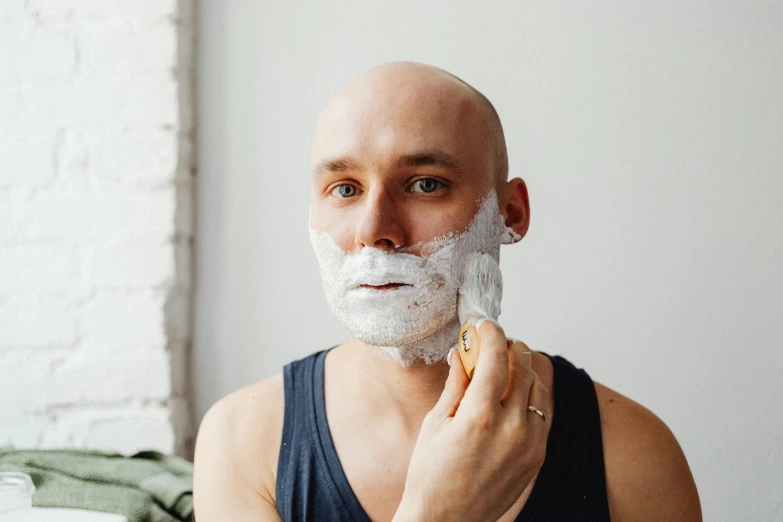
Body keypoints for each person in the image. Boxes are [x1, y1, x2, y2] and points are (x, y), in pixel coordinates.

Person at [193, 61, 702, 521]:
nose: (374, 229)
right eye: (345, 188)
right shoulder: (243, 441)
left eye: (425, 184)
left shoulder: (631, 454)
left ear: (511, 213)